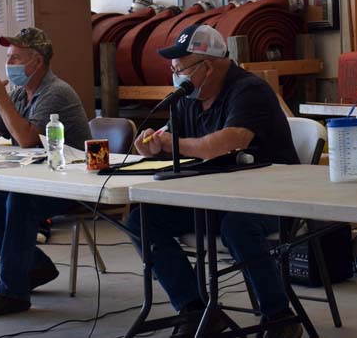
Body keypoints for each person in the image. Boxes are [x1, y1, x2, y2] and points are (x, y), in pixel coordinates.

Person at [128, 24, 303, 338]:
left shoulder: (249, 90)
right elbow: (169, 140)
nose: (175, 76)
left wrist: (171, 142)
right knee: (141, 219)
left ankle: (280, 316)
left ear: (206, 66)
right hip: (211, 198)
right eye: (173, 68)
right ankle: (195, 311)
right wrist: (152, 143)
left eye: (179, 68)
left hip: (274, 198)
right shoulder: (188, 97)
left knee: (237, 225)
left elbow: (225, 143)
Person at [0, 27, 91, 317]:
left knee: (20, 201)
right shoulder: (20, 94)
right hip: (39, 180)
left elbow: (27, 139)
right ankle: (34, 266)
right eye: (8, 57)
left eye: (17, 58)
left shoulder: (55, 91)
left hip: (71, 184)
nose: (10, 64)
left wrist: (2, 99)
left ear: (38, 62)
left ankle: (13, 293)